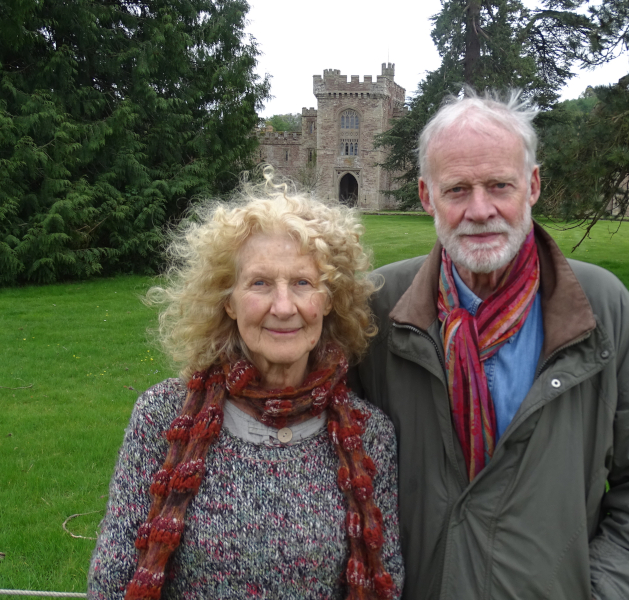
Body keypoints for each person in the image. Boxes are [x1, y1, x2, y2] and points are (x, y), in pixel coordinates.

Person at [351, 90, 629, 600]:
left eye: (499, 185)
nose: (480, 209)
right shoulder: (379, 309)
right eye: (457, 190)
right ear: (426, 196)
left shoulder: (600, 306)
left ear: (532, 185)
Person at [88, 174, 404, 599]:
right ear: (229, 301)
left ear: (328, 301)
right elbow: (111, 583)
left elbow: (390, 582)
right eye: (259, 283)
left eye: (302, 283)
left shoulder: (369, 434)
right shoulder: (163, 416)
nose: (283, 306)